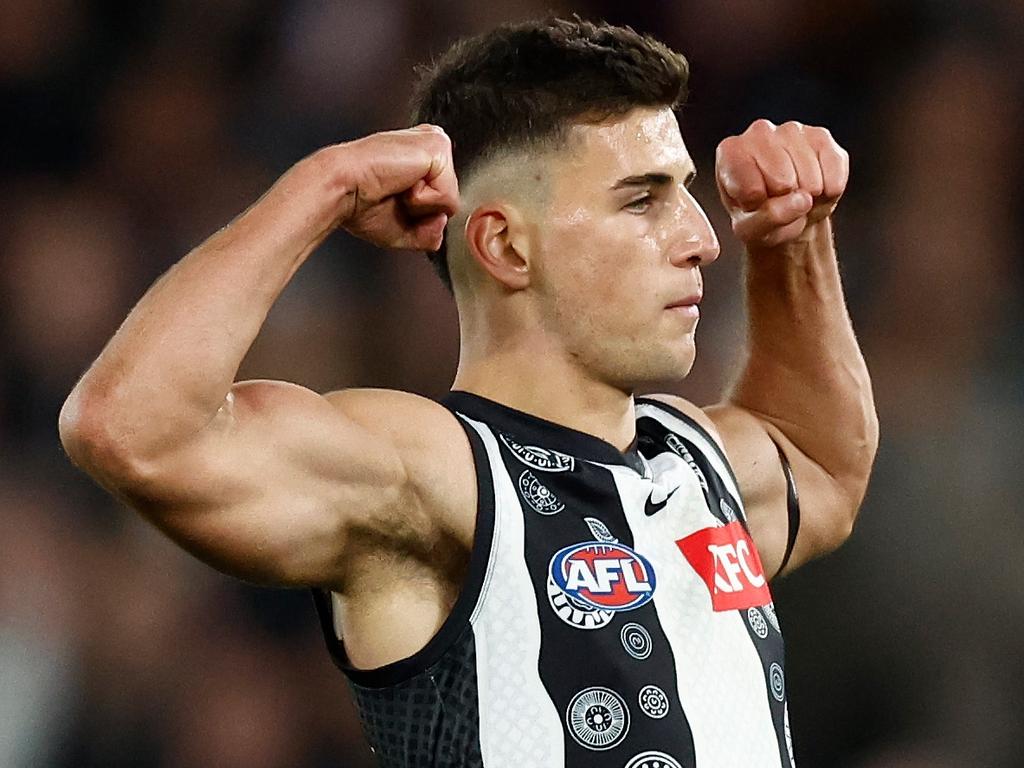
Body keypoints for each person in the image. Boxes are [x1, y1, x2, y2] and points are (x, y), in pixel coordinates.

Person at [58, 17, 878, 768]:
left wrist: (792, 241)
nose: (701, 239)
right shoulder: (438, 474)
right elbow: (130, 428)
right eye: (644, 200)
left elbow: (823, 464)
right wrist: (324, 187)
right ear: (505, 245)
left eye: (687, 192)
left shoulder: (696, 458)